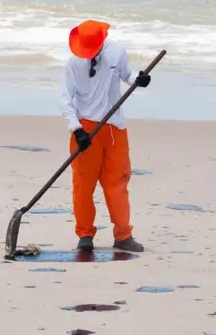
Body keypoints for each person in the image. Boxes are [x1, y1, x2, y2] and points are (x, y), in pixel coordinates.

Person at [59, 19, 151, 252]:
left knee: (117, 182)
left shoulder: (117, 52)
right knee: (83, 185)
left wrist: (138, 81)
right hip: (85, 128)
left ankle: (123, 235)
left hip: (113, 128)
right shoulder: (73, 63)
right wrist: (76, 129)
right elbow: (65, 99)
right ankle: (85, 235)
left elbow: (127, 76)